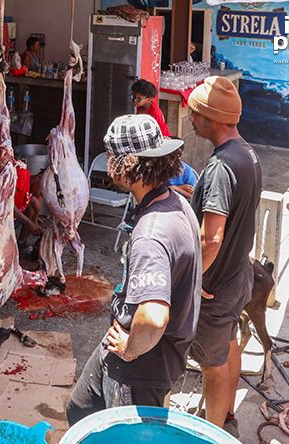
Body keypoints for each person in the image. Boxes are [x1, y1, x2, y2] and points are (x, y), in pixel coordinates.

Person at [66, 114, 202, 425]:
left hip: (140, 367)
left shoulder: (151, 233)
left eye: (113, 156)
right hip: (132, 350)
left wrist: (130, 348)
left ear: (126, 166)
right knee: (80, 409)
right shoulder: (176, 203)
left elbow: (153, 318)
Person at [187, 76, 262, 437]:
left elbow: (212, 238)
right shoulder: (246, 152)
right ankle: (228, 413)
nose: (190, 119)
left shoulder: (219, 167)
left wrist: (192, 280)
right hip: (239, 276)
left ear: (212, 119)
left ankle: (212, 433)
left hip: (215, 286)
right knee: (229, 343)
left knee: (211, 365)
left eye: (195, 113)